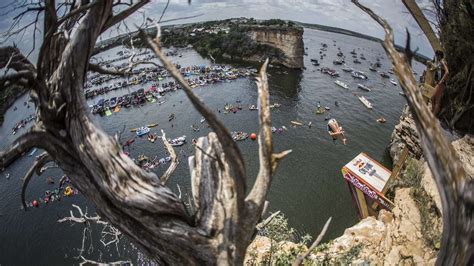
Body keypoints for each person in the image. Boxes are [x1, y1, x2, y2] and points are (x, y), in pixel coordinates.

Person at [430, 50, 449, 115]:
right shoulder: (440, 62)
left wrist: (441, 81)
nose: (436, 57)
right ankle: (432, 113)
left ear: (439, 56)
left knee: (434, 98)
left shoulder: (442, 61)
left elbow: (447, 72)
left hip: (441, 83)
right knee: (435, 99)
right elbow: (438, 69)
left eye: (436, 55)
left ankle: (432, 115)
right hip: (441, 83)